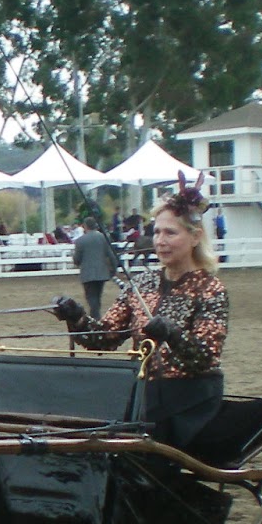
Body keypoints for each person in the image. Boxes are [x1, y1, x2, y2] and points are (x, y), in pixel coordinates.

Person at [48, 177, 228, 449]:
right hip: (142, 395)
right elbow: (104, 338)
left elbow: (205, 357)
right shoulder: (142, 283)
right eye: (157, 232)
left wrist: (172, 333)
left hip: (189, 402)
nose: (160, 241)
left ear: (194, 237)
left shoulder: (210, 289)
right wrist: (76, 316)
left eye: (170, 233)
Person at [71, 217, 120, 318]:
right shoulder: (103, 237)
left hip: (87, 274)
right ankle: (96, 317)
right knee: (97, 297)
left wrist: (77, 261)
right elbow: (111, 255)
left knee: (91, 298)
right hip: (101, 273)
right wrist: (114, 269)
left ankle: (95, 319)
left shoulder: (80, 241)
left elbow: (77, 259)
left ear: (85, 226)